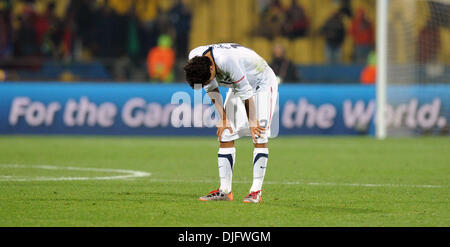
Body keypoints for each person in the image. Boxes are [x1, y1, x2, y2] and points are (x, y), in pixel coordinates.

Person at [184, 43, 278, 203]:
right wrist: (223, 118)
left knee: (258, 134)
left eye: (207, 80)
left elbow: (246, 91)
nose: (206, 84)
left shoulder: (226, 60)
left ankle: (256, 192)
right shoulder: (197, 60)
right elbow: (211, 88)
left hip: (261, 82)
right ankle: (225, 191)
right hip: (238, 85)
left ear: (212, 69)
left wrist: (253, 121)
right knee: (226, 132)